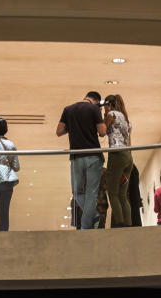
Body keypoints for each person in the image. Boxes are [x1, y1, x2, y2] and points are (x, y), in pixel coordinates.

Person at [56, 91, 106, 229]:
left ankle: (93, 217)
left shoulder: (68, 109)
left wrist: (72, 126)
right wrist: (99, 116)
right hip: (93, 156)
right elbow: (102, 132)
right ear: (96, 101)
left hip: (76, 157)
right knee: (92, 192)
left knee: (77, 192)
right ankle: (87, 225)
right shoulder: (94, 109)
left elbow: (59, 131)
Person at [102, 94, 133, 227]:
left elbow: (102, 132)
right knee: (122, 194)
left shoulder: (111, 115)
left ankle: (120, 224)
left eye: (105, 107)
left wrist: (103, 118)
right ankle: (129, 224)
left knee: (112, 192)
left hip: (116, 155)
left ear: (109, 105)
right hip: (128, 157)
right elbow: (129, 142)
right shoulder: (126, 119)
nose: (104, 109)